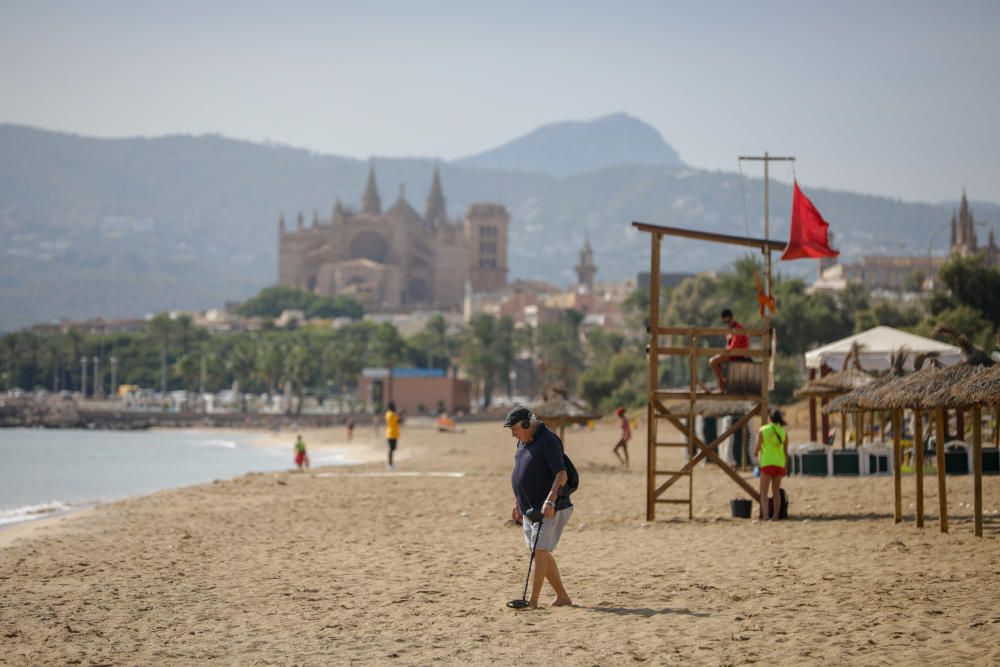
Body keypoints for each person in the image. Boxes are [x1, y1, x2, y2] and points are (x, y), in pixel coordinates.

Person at [505, 405, 573, 609]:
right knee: (539, 552)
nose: (513, 435)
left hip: (550, 507)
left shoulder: (549, 440)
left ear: (527, 424)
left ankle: (533, 602)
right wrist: (517, 502)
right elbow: (520, 473)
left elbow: (561, 474)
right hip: (529, 508)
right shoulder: (522, 442)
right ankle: (562, 597)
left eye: (515, 429)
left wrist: (550, 500)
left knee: (540, 551)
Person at [755, 409, 789, 520]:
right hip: (779, 463)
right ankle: (775, 516)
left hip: (767, 462)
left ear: (769, 418)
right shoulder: (783, 432)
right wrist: (785, 466)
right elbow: (785, 451)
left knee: (764, 492)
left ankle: (765, 515)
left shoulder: (763, 429)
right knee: (776, 491)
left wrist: (755, 452)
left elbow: (759, 446)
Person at [709, 308, 750, 393]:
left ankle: (722, 385)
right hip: (733, 353)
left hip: (738, 354)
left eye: (728, 321)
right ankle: (722, 384)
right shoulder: (731, 330)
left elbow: (734, 346)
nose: (727, 324)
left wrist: (724, 352)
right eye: (725, 322)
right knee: (714, 361)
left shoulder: (737, 329)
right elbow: (730, 345)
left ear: (732, 318)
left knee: (713, 362)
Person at [385, 401, 400, 471]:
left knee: (392, 449)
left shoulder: (388, 414)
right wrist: (400, 414)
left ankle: (390, 463)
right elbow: (398, 421)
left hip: (390, 433)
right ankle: (390, 464)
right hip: (392, 434)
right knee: (391, 450)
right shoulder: (392, 414)